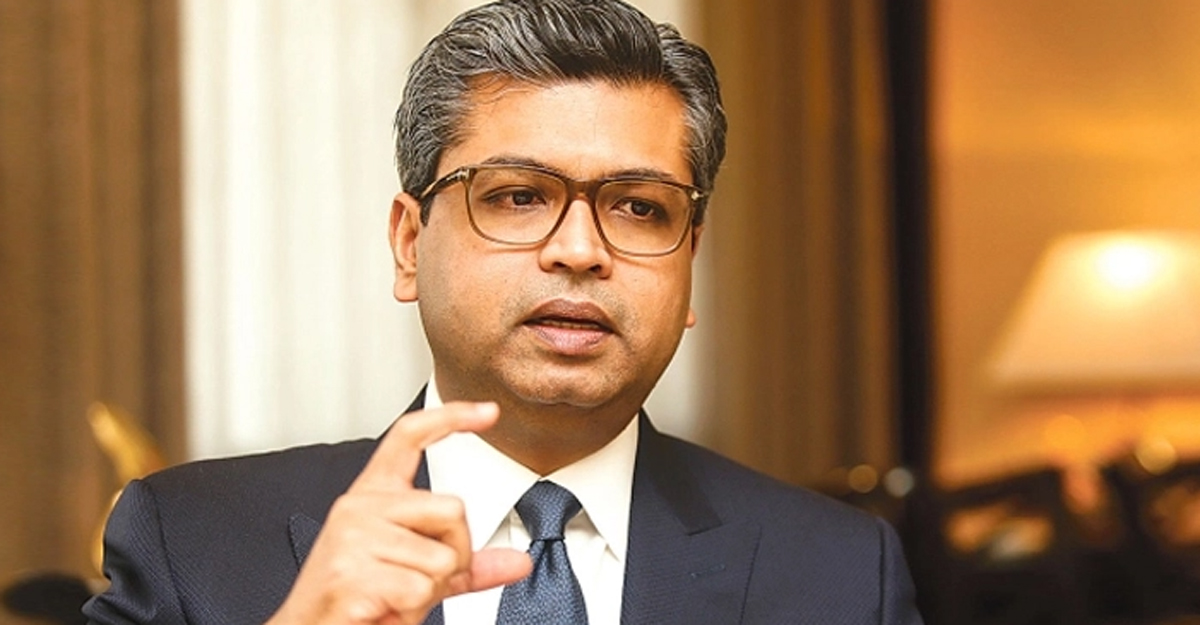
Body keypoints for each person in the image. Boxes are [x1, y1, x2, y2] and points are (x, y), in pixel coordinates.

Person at [84, 1, 924, 623]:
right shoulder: (191, 540)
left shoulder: (842, 572)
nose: (580, 250)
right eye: (520, 196)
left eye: (640, 208)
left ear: (689, 261)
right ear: (409, 244)